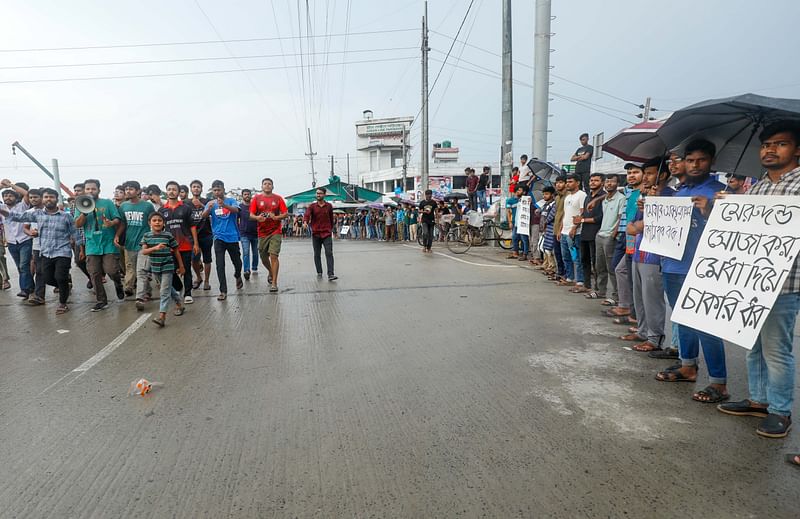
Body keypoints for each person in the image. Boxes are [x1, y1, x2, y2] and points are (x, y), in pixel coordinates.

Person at [718, 121, 800, 438]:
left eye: (780, 143)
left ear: (797, 149)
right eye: (766, 144)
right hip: (751, 283)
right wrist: (724, 209)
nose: (769, 149)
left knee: (777, 351)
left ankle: (781, 412)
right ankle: (758, 400)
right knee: (752, 346)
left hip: (785, 284)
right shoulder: (760, 187)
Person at [656, 139, 728, 405]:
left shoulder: (722, 192)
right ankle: (688, 366)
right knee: (682, 319)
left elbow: (733, 233)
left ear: (711, 162)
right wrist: (648, 215)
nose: (695, 165)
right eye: (690, 160)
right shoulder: (677, 192)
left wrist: (710, 211)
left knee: (706, 325)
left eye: (701, 160)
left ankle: (719, 382)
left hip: (703, 269)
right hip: (673, 264)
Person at [0, 188, 80, 314]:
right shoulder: (37, 214)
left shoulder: (66, 216)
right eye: (46, 197)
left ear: (56, 199)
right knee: (48, 278)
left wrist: (81, 249)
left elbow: (75, 233)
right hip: (45, 252)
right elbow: (17, 217)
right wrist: (2, 211)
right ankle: (64, 286)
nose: (49, 199)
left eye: (51, 197)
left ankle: (63, 303)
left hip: (63, 252)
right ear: (43, 199)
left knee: (60, 276)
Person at [626, 157, 673, 353]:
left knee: (652, 298)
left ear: (662, 175)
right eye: (644, 174)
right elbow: (631, 227)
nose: (645, 178)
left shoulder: (671, 196)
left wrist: (652, 213)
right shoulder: (644, 199)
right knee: (640, 297)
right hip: (639, 252)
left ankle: (655, 337)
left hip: (655, 256)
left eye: (650, 174)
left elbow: (664, 224)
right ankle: (643, 330)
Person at [74, 178, 124, 311]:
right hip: (92, 244)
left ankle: (118, 283)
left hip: (108, 242)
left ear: (98, 190)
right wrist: (84, 212)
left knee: (112, 270)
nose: (91, 191)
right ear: (85, 190)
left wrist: (111, 223)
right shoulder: (80, 205)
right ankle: (101, 300)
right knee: (94, 273)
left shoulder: (107, 203)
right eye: (88, 189)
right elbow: (77, 224)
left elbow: (117, 219)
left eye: (93, 189)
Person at [606, 163, 644, 319]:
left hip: (638, 237)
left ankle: (634, 314)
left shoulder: (645, 194)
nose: (631, 175)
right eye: (629, 173)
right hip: (626, 236)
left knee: (634, 277)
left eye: (636, 172)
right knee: (620, 269)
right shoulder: (630, 192)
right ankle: (626, 306)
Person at [140, 212, 185, 327]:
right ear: (149, 223)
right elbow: (144, 251)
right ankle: (180, 302)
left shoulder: (168, 235)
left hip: (168, 266)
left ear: (163, 223)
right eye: (154, 220)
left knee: (164, 291)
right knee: (168, 288)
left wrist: (181, 265)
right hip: (155, 267)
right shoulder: (146, 236)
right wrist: (155, 248)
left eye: (160, 220)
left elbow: (176, 251)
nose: (157, 222)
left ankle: (162, 316)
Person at [201, 180, 242, 301]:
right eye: (214, 190)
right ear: (212, 191)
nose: (217, 192)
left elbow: (237, 211)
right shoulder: (210, 203)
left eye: (219, 190)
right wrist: (208, 210)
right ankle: (223, 291)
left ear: (223, 190)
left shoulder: (231, 200)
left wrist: (224, 205)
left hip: (232, 236)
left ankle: (238, 275)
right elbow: (203, 216)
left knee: (237, 262)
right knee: (220, 264)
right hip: (218, 237)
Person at [159, 181, 199, 303]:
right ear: (166, 192)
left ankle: (188, 294)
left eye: (174, 189)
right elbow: (158, 228)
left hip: (185, 245)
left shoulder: (185, 208)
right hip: (169, 247)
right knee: (171, 270)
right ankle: (178, 287)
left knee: (186, 269)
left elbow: (192, 226)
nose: (171, 191)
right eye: (169, 189)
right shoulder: (162, 210)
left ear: (178, 191)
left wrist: (196, 244)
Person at [590, 174, 625, 304]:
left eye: (612, 181)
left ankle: (616, 296)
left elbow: (621, 218)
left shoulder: (621, 199)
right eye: (607, 181)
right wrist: (595, 200)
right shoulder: (605, 199)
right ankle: (600, 291)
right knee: (600, 266)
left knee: (612, 267)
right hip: (600, 234)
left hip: (611, 236)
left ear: (617, 184)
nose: (609, 184)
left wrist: (613, 234)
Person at [249, 177, 288, 293]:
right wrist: (257, 218)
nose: (267, 185)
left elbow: (285, 213)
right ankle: (270, 271)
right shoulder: (256, 198)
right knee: (263, 256)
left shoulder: (278, 198)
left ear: (272, 186)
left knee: (274, 255)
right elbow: (251, 215)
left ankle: (274, 283)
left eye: (269, 184)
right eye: (265, 184)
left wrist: (276, 217)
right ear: (262, 186)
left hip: (275, 231)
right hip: (262, 232)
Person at [116, 181, 154, 298]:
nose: (128, 191)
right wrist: (117, 235)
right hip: (129, 243)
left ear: (138, 191)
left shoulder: (147, 206)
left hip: (144, 244)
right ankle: (129, 287)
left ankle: (144, 292)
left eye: (131, 189)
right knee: (129, 267)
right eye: (126, 189)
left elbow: (153, 221)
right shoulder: (123, 206)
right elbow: (123, 223)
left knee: (142, 269)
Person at [571, 173, 605, 294]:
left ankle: (598, 288)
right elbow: (584, 213)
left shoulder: (604, 197)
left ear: (602, 183)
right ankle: (587, 285)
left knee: (597, 263)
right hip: (584, 232)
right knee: (584, 260)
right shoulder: (588, 197)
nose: (592, 183)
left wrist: (583, 220)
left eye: (596, 180)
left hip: (597, 232)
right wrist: (577, 223)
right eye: (591, 180)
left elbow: (601, 217)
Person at [0, 179, 32, 298]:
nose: (7, 197)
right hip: (12, 242)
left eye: (10, 195)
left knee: (24, 265)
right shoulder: (2, 207)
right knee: (20, 266)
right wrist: (1, 186)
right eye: (5, 195)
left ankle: (24, 289)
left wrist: (11, 185)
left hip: (25, 240)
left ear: (16, 196)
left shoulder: (22, 206)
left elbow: (27, 194)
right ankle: (30, 287)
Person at [558, 174, 587, 287]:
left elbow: (582, 212)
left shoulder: (581, 195)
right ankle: (569, 277)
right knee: (566, 257)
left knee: (576, 257)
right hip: (564, 231)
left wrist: (575, 227)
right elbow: (565, 213)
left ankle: (580, 280)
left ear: (577, 183)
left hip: (575, 232)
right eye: (567, 182)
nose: (568, 184)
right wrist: (560, 229)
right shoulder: (567, 197)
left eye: (570, 181)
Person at [305, 187, 337, 280]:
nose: (318, 195)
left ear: (324, 195)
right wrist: (305, 222)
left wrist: (331, 229)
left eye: (320, 193)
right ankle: (319, 271)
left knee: (329, 253)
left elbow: (331, 219)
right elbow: (307, 214)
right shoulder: (312, 206)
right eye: (317, 193)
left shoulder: (329, 206)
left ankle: (331, 274)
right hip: (316, 234)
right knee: (317, 254)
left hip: (326, 233)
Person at [188, 180, 213, 292]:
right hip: (193, 236)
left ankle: (207, 281)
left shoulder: (207, 201)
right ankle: (198, 277)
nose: (196, 188)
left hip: (206, 234)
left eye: (198, 187)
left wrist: (202, 205)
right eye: (194, 187)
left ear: (202, 189)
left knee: (207, 259)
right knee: (194, 259)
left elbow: (212, 213)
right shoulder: (186, 203)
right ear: (191, 189)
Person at [24, 188, 46, 305]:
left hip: (55, 246)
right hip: (37, 246)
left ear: (42, 197)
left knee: (55, 271)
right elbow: (25, 228)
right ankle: (39, 296)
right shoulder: (29, 213)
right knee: (40, 271)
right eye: (31, 197)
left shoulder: (51, 210)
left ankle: (64, 284)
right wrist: (30, 233)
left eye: (35, 197)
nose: (33, 199)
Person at [238, 188, 259, 280]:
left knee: (255, 253)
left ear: (251, 195)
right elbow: (236, 219)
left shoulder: (255, 206)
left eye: (248, 194)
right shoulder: (239, 207)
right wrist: (238, 230)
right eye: (245, 194)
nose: (247, 196)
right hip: (244, 234)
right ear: (242, 196)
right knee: (246, 253)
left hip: (256, 233)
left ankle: (254, 267)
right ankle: (246, 270)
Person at [506, 186, 529, 260]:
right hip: (515, 222)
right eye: (518, 190)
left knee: (523, 239)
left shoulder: (526, 200)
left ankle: (524, 253)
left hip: (523, 222)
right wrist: (510, 222)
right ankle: (515, 252)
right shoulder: (510, 201)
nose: (518, 191)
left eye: (520, 190)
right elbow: (508, 212)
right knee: (514, 237)